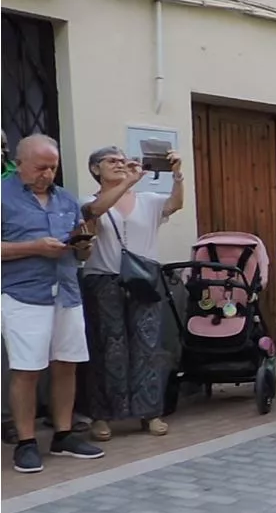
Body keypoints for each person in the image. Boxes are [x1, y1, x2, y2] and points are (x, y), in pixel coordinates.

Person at [2, 135, 109, 473]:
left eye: (53, 167)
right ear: (20, 164)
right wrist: (33, 247)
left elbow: (80, 247)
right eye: (40, 168)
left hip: (66, 291)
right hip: (23, 294)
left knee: (67, 363)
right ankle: (27, 442)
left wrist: (82, 247)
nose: (47, 174)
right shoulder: (3, 196)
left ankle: (63, 435)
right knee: (27, 369)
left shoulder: (66, 199)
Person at [82, 146, 184, 441]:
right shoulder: (88, 201)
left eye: (122, 160)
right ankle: (102, 416)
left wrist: (177, 175)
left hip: (143, 279)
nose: (119, 164)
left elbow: (175, 204)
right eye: (111, 161)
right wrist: (129, 181)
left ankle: (150, 412)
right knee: (106, 348)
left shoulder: (148, 200)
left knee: (147, 345)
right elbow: (97, 211)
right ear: (94, 169)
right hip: (103, 279)